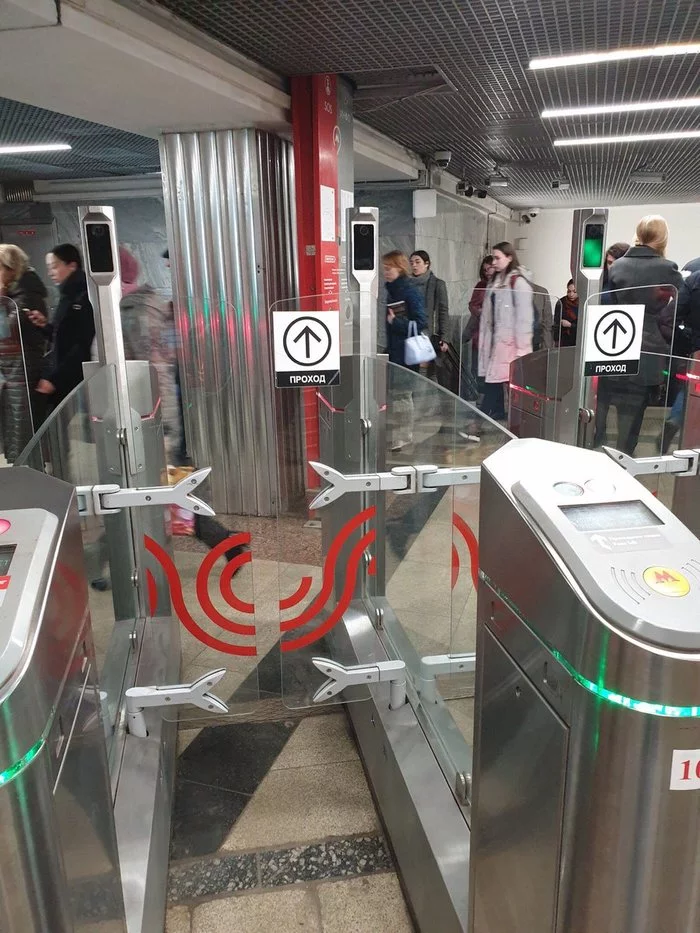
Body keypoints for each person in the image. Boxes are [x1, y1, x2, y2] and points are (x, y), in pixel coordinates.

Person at [593, 217, 683, 454]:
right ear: (662, 237)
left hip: (614, 343)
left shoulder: (619, 266)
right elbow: (682, 305)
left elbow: (606, 301)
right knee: (633, 415)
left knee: (606, 404)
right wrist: (664, 323)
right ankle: (624, 460)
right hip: (649, 348)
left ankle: (597, 454)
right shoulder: (667, 268)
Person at [118, 246, 182, 463]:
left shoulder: (138, 308)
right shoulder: (134, 305)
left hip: (150, 404)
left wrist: (165, 424)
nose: (167, 266)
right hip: (143, 404)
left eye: (172, 263)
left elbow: (157, 366)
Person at [27, 243, 95, 408]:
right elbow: (65, 337)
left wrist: (54, 379)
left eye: (54, 267)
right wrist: (44, 325)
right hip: (66, 377)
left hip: (75, 381)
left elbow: (81, 345)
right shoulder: (68, 295)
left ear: (72, 265)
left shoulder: (83, 297)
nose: (50, 273)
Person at [0, 244, 48, 461]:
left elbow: (7, 331)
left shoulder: (26, 294)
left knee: (23, 429)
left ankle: (27, 471)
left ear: (11, 268)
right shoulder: (18, 292)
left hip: (22, 372)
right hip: (12, 371)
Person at [479, 242, 533, 421]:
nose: (493, 262)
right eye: (493, 257)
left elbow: (524, 319)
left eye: (497, 257)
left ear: (509, 258)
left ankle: (477, 425)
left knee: (497, 386)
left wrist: (522, 351)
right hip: (498, 344)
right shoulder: (495, 282)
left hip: (510, 347)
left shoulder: (518, 282)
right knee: (496, 386)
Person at [383, 250, 427, 450]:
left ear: (399, 268)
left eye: (388, 268)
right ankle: (398, 435)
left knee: (403, 394)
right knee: (397, 394)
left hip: (407, 352)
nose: (385, 272)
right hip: (395, 350)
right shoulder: (392, 290)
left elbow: (421, 321)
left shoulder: (408, 290)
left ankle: (403, 436)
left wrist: (396, 322)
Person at [465, 255, 494, 386]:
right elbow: (472, 305)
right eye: (485, 269)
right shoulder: (481, 285)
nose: (487, 272)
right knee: (477, 369)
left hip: (497, 337)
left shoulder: (504, 286)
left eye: (490, 268)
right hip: (480, 333)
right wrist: (481, 312)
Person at [554, 279, 579, 346]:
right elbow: (556, 322)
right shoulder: (561, 302)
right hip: (564, 339)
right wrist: (556, 341)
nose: (571, 294)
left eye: (574, 292)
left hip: (579, 339)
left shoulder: (584, 302)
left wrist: (570, 325)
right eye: (569, 291)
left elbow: (584, 325)